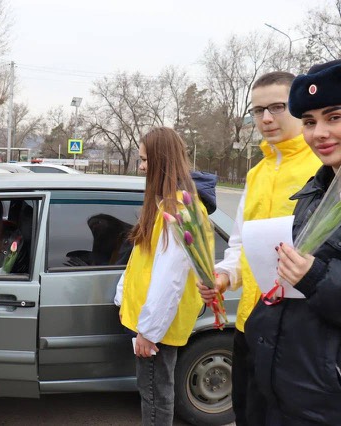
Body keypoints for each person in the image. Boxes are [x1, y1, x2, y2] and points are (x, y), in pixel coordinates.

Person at [198, 71, 321, 425]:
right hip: (250, 325)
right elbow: (240, 243)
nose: (266, 119)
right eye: (258, 110)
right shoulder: (256, 173)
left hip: (299, 332)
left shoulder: (323, 168)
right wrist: (223, 276)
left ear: (298, 108)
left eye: (278, 107)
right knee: (247, 413)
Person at [244, 59, 341, 425]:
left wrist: (315, 277)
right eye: (311, 121)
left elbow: (314, 281)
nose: (319, 133)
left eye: (334, 117)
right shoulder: (313, 193)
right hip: (283, 387)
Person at [119, 127, 211, 426]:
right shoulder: (164, 204)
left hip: (158, 325)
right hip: (152, 319)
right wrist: (124, 294)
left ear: (162, 160)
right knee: (153, 392)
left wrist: (149, 331)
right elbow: (143, 259)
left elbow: (170, 278)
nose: (141, 166)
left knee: (156, 396)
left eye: (145, 160)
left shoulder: (179, 209)